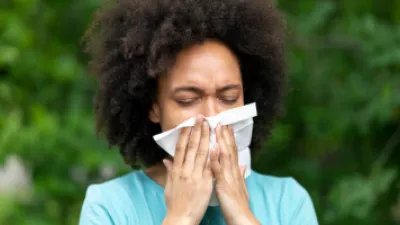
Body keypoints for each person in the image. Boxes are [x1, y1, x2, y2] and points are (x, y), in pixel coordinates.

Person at [79, 0, 319, 224]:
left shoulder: (288, 201)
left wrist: (241, 214)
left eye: (229, 97)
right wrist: (181, 216)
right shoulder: (110, 205)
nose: (212, 115)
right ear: (154, 107)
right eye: (188, 100)